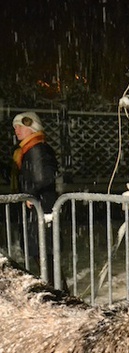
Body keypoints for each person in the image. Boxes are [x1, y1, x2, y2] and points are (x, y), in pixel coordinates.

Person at [12, 111, 60, 284]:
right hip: (38, 211)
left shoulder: (36, 149)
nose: (16, 130)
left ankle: (59, 297)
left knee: (45, 259)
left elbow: (43, 177)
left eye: (20, 126)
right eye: (15, 127)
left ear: (32, 127)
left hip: (41, 210)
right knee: (44, 259)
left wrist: (30, 194)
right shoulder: (28, 150)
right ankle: (57, 295)